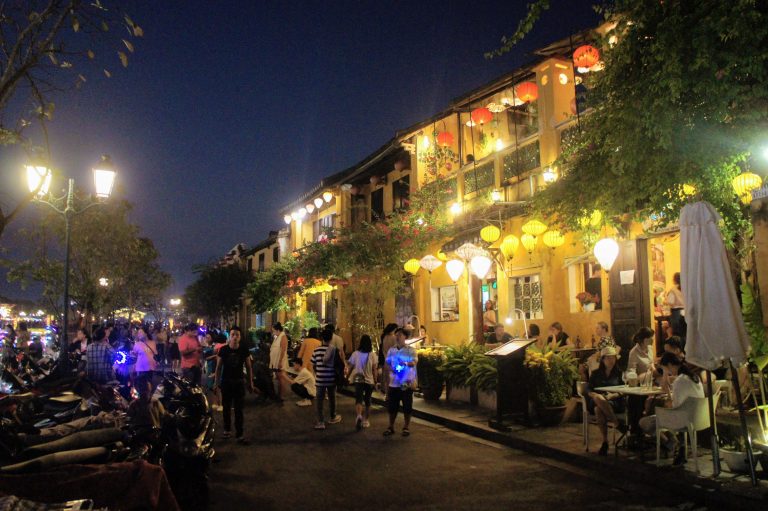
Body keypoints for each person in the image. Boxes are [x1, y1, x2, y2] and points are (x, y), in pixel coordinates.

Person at [639, 352, 704, 465]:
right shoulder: (694, 377)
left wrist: (668, 396)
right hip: (699, 418)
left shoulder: (680, 381)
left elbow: (674, 406)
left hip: (683, 420)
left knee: (644, 422)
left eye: (666, 369)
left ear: (669, 365)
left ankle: (672, 443)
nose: (668, 373)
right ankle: (677, 444)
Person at [213, 326, 254, 444]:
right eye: (233, 335)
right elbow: (218, 367)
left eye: (237, 335)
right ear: (229, 336)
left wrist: (251, 382)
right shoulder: (224, 350)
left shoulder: (244, 349)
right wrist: (216, 384)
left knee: (239, 410)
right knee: (226, 408)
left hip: (239, 382)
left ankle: (239, 434)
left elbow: (249, 367)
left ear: (240, 337)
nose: (235, 337)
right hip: (226, 382)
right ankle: (227, 430)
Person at [587, 346, 626, 456]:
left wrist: (612, 395)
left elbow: (624, 390)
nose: (611, 361)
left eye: (613, 358)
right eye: (608, 358)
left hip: (614, 401)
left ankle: (605, 441)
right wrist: (594, 395)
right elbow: (589, 389)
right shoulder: (595, 373)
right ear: (603, 360)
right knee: (599, 399)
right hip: (597, 399)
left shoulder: (619, 373)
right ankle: (617, 424)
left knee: (598, 410)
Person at [383, 328, 416, 437]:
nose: (397, 337)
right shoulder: (391, 350)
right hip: (394, 383)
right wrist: (391, 369)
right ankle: (391, 426)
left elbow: (415, 361)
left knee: (407, 406)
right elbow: (386, 364)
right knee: (392, 407)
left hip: (406, 383)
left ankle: (406, 427)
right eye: (396, 335)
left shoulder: (410, 350)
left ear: (405, 337)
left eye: (400, 335)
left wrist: (405, 363)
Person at [311, 329, 342, 429]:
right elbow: (338, 365)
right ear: (331, 338)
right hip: (331, 379)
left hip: (320, 379)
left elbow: (313, 364)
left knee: (319, 401)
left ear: (321, 338)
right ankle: (333, 416)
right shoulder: (334, 350)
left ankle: (320, 422)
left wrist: (318, 373)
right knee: (332, 398)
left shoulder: (316, 350)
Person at [348, 334, 378, 430]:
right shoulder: (372, 355)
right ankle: (366, 420)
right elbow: (374, 370)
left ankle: (359, 416)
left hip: (358, 380)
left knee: (358, 400)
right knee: (368, 401)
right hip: (369, 380)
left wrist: (347, 377)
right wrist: (376, 381)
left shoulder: (355, 354)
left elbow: (351, 367)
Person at [270, 323, 290, 400]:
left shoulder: (283, 337)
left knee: (281, 377)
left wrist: (280, 361)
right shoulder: (278, 337)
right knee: (279, 378)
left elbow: (283, 350)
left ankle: (281, 395)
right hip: (276, 361)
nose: (273, 333)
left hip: (280, 361)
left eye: (274, 331)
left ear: (278, 330)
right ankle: (279, 394)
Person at [666, 272, 686, 344]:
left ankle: (678, 349)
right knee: (684, 332)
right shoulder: (685, 287)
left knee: (677, 333)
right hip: (685, 311)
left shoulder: (673, 289)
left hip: (676, 312)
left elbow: (670, 301)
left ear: (674, 279)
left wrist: (666, 301)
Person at [379, 323, 398, 390]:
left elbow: (383, 349)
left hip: (386, 359)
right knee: (392, 378)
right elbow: (396, 348)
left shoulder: (384, 337)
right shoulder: (393, 337)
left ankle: (387, 393)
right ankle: (391, 393)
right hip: (392, 360)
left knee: (386, 377)